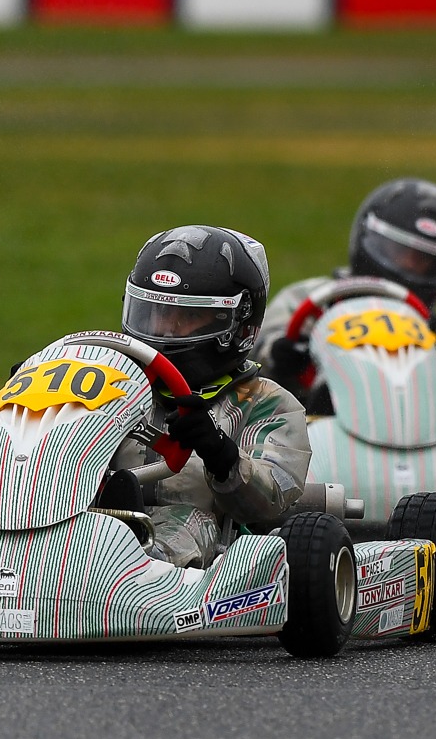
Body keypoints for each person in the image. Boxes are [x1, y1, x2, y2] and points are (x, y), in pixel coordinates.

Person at [111, 224, 312, 569]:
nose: (166, 330)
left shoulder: (266, 402)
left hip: (208, 546)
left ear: (237, 325)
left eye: (188, 316)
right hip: (96, 524)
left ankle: (139, 572)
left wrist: (220, 454)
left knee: (187, 520)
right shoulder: (112, 382)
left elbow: (270, 501)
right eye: (156, 314)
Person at [255, 178, 436, 414]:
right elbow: (251, 359)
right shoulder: (307, 300)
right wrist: (281, 356)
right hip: (309, 426)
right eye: (399, 252)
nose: (410, 266)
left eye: (424, 261)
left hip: (400, 428)